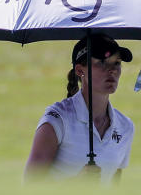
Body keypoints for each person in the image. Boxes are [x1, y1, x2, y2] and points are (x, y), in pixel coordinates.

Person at [25, 34, 135, 182]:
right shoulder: (56, 120)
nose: (112, 70)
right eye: (102, 62)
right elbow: (29, 187)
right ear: (79, 70)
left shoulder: (125, 126)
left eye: (116, 63)